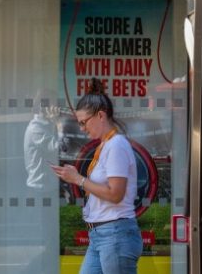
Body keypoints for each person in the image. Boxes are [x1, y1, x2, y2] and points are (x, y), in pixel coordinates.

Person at [51, 78, 142, 274]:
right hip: (102, 234)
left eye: (84, 123)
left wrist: (78, 179)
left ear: (101, 115)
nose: (82, 128)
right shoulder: (107, 145)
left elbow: (115, 194)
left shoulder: (116, 145)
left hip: (115, 233)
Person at [24, 88, 64, 191]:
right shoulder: (36, 129)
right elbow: (59, 148)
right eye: (54, 104)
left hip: (46, 186)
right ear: (43, 106)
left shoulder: (45, 125)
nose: (57, 107)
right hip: (39, 188)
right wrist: (59, 124)